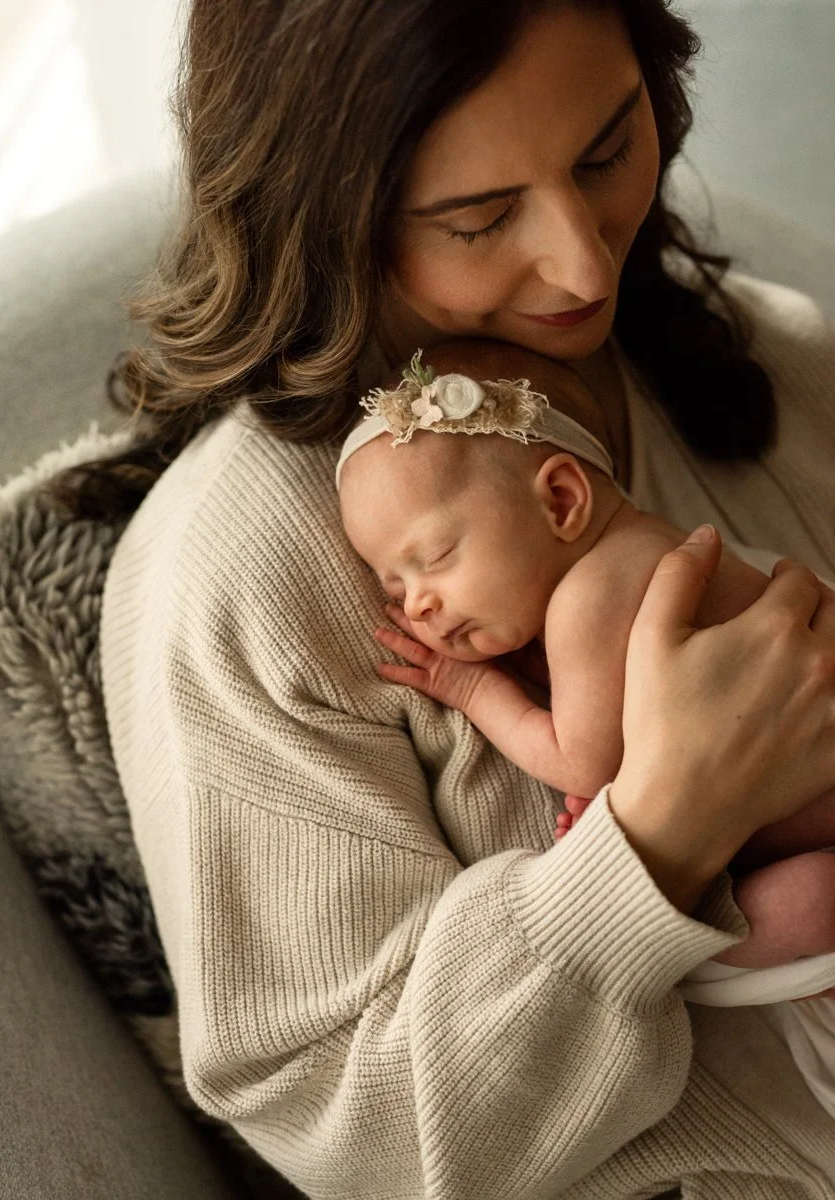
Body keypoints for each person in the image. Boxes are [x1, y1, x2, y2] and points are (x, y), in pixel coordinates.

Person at [51, 0, 835, 1193]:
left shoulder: (762, 361)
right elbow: (355, 1137)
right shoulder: (242, 577)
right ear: (328, 219)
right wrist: (660, 835)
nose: (582, 263)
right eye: (476, 220)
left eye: (605, 149)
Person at [336, 338, 835, 976]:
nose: (419, 608)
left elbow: (584, 763)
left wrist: (473, 691)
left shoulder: (590, 595)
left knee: (807, 906)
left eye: (433, 559)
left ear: (563, 501)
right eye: (395, 588)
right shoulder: (646, 545)